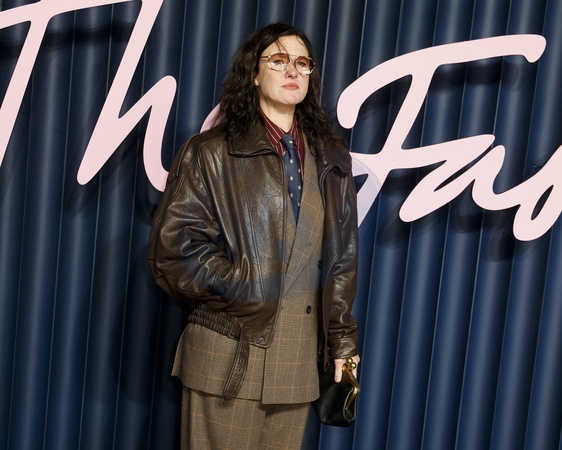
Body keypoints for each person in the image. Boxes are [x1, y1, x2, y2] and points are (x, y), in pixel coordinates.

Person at [148, 22, 360, 449]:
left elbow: (341, 258)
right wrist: (246, 285)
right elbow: (173, 252)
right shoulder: (210, 151)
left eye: (302, 62)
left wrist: (342, 340)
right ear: (254, 74)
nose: (292, 70)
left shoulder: (332, 157)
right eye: (278, 60)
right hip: (229, 354)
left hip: (297, 363)